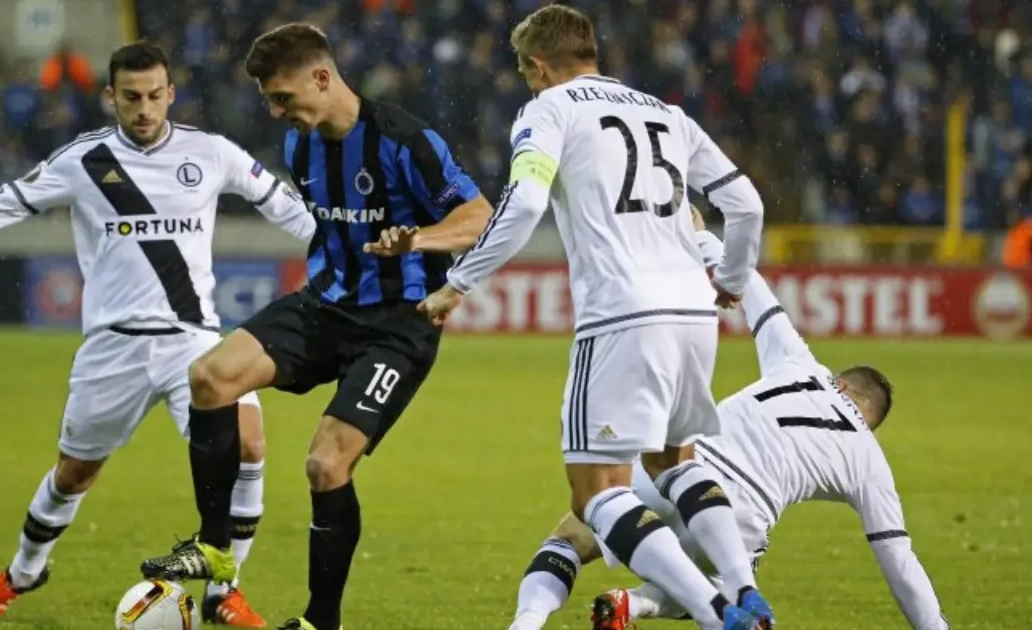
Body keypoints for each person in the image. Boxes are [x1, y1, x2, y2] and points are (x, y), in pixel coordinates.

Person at [0, 42, 314, 627]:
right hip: (113, 348)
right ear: (111, 97)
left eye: (154, 95)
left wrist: (349, 250)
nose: (144, 108)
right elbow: (4, 204)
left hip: (194, 342)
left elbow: (287, 206)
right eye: (131, 97)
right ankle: (24, 571)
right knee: (74, 473)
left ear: (171, 94)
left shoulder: (211, 153)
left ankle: (222, 592)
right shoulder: (84, 161)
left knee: (250, 446)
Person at [417, 6, 770, 630]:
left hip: (622, 311)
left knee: (597, 491)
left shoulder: (549, 109)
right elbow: (746, 205)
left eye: (525, 72)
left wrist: (459, 282)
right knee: (675, 463)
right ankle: (745, 590)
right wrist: (733, 281)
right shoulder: (667, 114)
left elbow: (524, 202)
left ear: (538, 65)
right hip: (693, 310)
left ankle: (718, 614)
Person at [137, 22, 494, 630]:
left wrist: (419, 240)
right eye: (270, 101)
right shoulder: (302, 147)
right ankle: (215, 546)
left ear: (323, 78)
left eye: (283, 97)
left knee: (326, 465)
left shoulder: (404, 140)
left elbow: (480, 215)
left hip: (397, 325)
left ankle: (320, 621)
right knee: (210, 377)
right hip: (324, 307)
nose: (278, 112)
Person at [513, 211, 949, 630]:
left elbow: (752, 287)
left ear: (841, 383)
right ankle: (638, 602)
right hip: (738, 520)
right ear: (868, 422)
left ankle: (527, 621)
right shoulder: (868, 460)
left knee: (569, 539)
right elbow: (899, 560)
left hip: (677, 469)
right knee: (719, 592)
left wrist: (701, 237)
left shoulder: (800, 363)